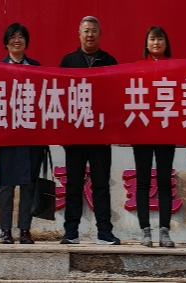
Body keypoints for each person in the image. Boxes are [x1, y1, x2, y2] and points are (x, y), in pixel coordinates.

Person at [59, 15, 121, 246]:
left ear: (100, 34)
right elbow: (61, 97)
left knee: (101, 184)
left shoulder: (109, 61)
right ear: (79, 34)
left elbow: (116, 97)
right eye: (86, 31)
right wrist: (64, 133)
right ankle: (71, 231)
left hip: (100, 135)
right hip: (75, 134)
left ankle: (104, 231)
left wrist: (113, 131)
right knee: (73, 184)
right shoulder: (68, 61)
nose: (90, 35)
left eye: (94, 30)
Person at [0, 22, 46, 245]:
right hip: (6, 136)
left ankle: (25, 229)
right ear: (6, 42)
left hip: (30, 136)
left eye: (21, 36)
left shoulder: (36, 67)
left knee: (28, 184)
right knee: (6, 185)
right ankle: (5, 230)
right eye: (13, 37)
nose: (17, 40)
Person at [134, 26, 177, 248]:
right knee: (142, 182)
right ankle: (145, 231)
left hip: (166, 131)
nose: (156, 42)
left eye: (160, 38)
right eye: (152, 39)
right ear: (146, 44)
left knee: (164, 182)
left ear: (166, 43)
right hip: (142, 131)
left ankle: (164, 231)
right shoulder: (138, 68)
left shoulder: (175, 69)